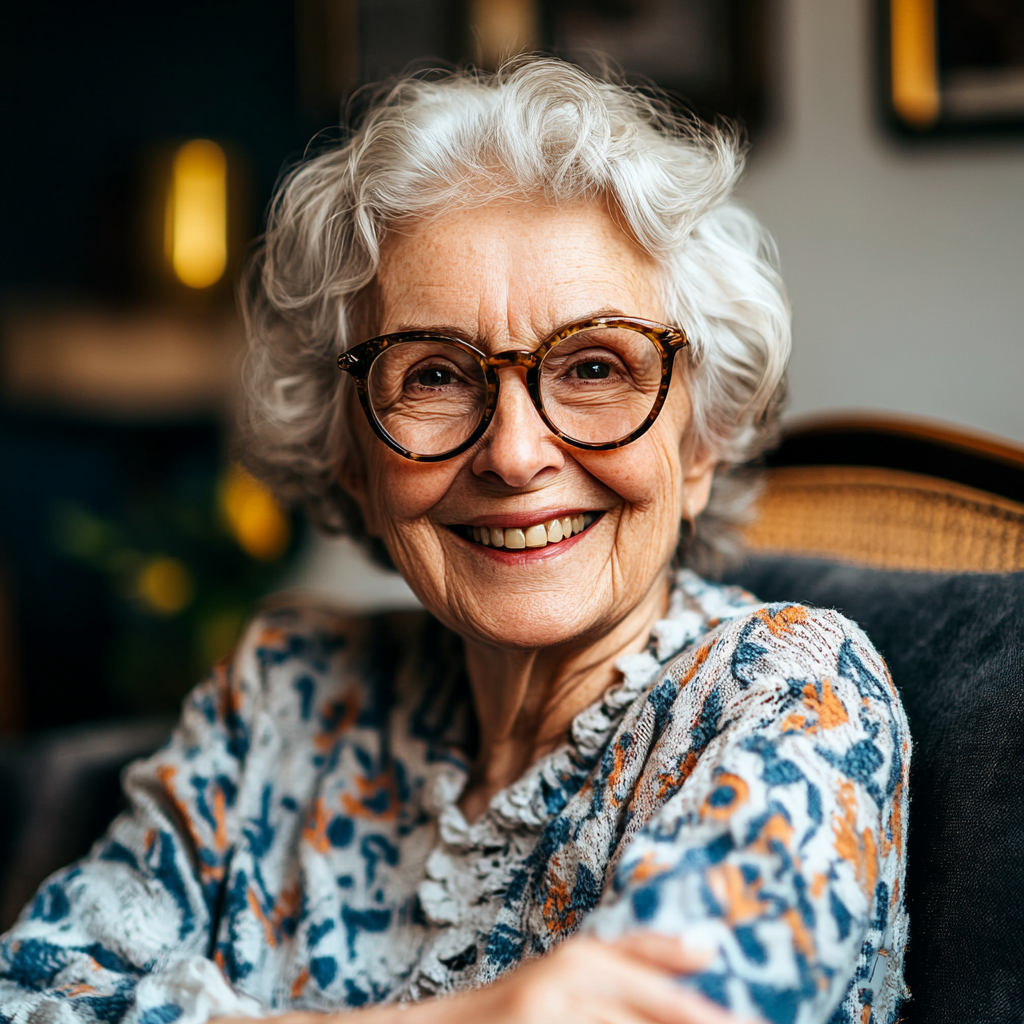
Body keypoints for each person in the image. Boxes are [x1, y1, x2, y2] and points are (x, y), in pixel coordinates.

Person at [0, 59, 910, 1024]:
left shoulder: (791, 696)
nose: (515, 455)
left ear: (701, 445)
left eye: (595, 365)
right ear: (350, 452)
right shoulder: (286, 696)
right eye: (433, 376)